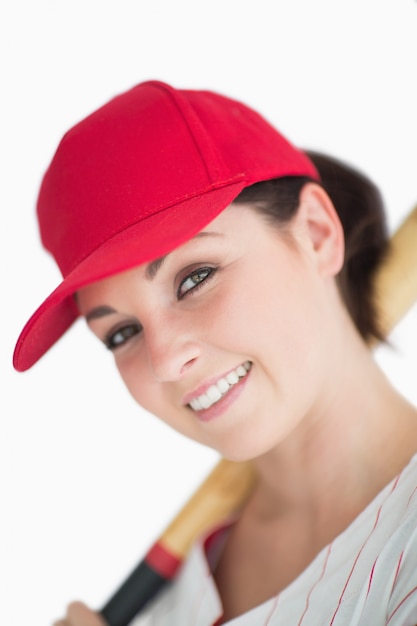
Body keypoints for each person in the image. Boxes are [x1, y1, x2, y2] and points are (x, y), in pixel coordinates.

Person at [13, 80, 417, 625]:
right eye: (122, 333)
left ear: (317, 235)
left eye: (194, 278)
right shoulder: (169, 598)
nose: (165, 360)